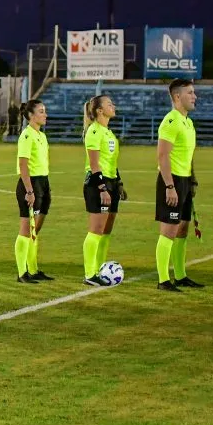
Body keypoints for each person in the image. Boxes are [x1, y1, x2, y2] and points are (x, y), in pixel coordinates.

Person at [155, 78, 201, 292]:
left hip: (184, 180)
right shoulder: (171, 121)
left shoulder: (188, 122)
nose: (194, 96)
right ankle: (163, 280)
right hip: (171, 180)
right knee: (169, 231)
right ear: (177, 97)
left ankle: (180, 276)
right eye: (190, 93)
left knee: (182, 230)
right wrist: (170, 186)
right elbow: (162, 156)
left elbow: (188, 155)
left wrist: (191, 178)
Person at [81, 95, 126, 286]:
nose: (113, 106)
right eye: (109, 104)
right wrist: (102, 188)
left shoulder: (109, 133)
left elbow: (111, 163)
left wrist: (119, 183)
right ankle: (90, 274)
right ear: (99, 110)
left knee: (106, 230)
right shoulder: (94, 131)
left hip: (112, 183)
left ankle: (99, 268)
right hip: (98, 184)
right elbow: (94, 163)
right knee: (96, 230)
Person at [14, 99, 55, 283]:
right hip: (30, 184)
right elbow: (23, 165)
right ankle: (22, 273)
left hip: (43, 182)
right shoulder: (26, 135)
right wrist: (29, 191)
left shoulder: (42, 136)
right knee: (26, 229)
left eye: (44, 111)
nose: (45, 114)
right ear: (31, 116)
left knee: (34, 230)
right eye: (41, 111)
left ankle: (33, 269)